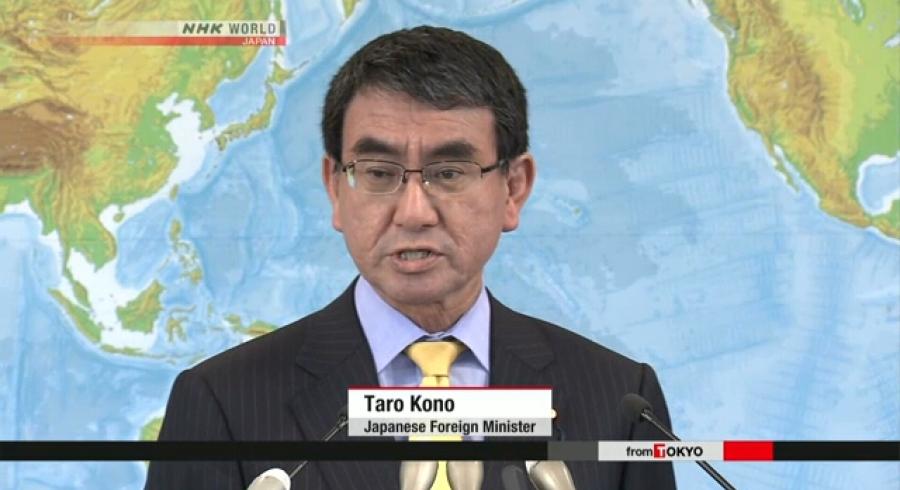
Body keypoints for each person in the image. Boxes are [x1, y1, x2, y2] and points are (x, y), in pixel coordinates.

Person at [145, 26, 676, 490]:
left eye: (449, 173)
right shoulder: (223, 404)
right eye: (379, 173)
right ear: (335, 188)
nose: (414, 212)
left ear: (513, 189)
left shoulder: (620, 400)